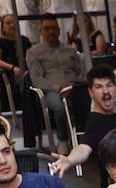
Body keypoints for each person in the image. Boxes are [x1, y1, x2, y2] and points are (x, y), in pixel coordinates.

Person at [26, 16, 83, 154]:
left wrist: (74, 84)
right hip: (51, 90)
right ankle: (62, 140)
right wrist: (59, 87)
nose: (51, 32)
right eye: (47, 28)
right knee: (60, 106)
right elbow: (37, 79)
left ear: (59, 30)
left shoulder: (70, 50)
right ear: (41, 31)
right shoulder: (34, 52)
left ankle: (86, 138)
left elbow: (81, 72)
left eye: (54, 28)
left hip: (74, 86)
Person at [0, 12, 32, 78]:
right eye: (8, 23)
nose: (12, 25)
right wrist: (13, 68)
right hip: (8, 72)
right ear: (3, 27)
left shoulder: (24, 40)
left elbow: (31, 56)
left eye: (14, 22)